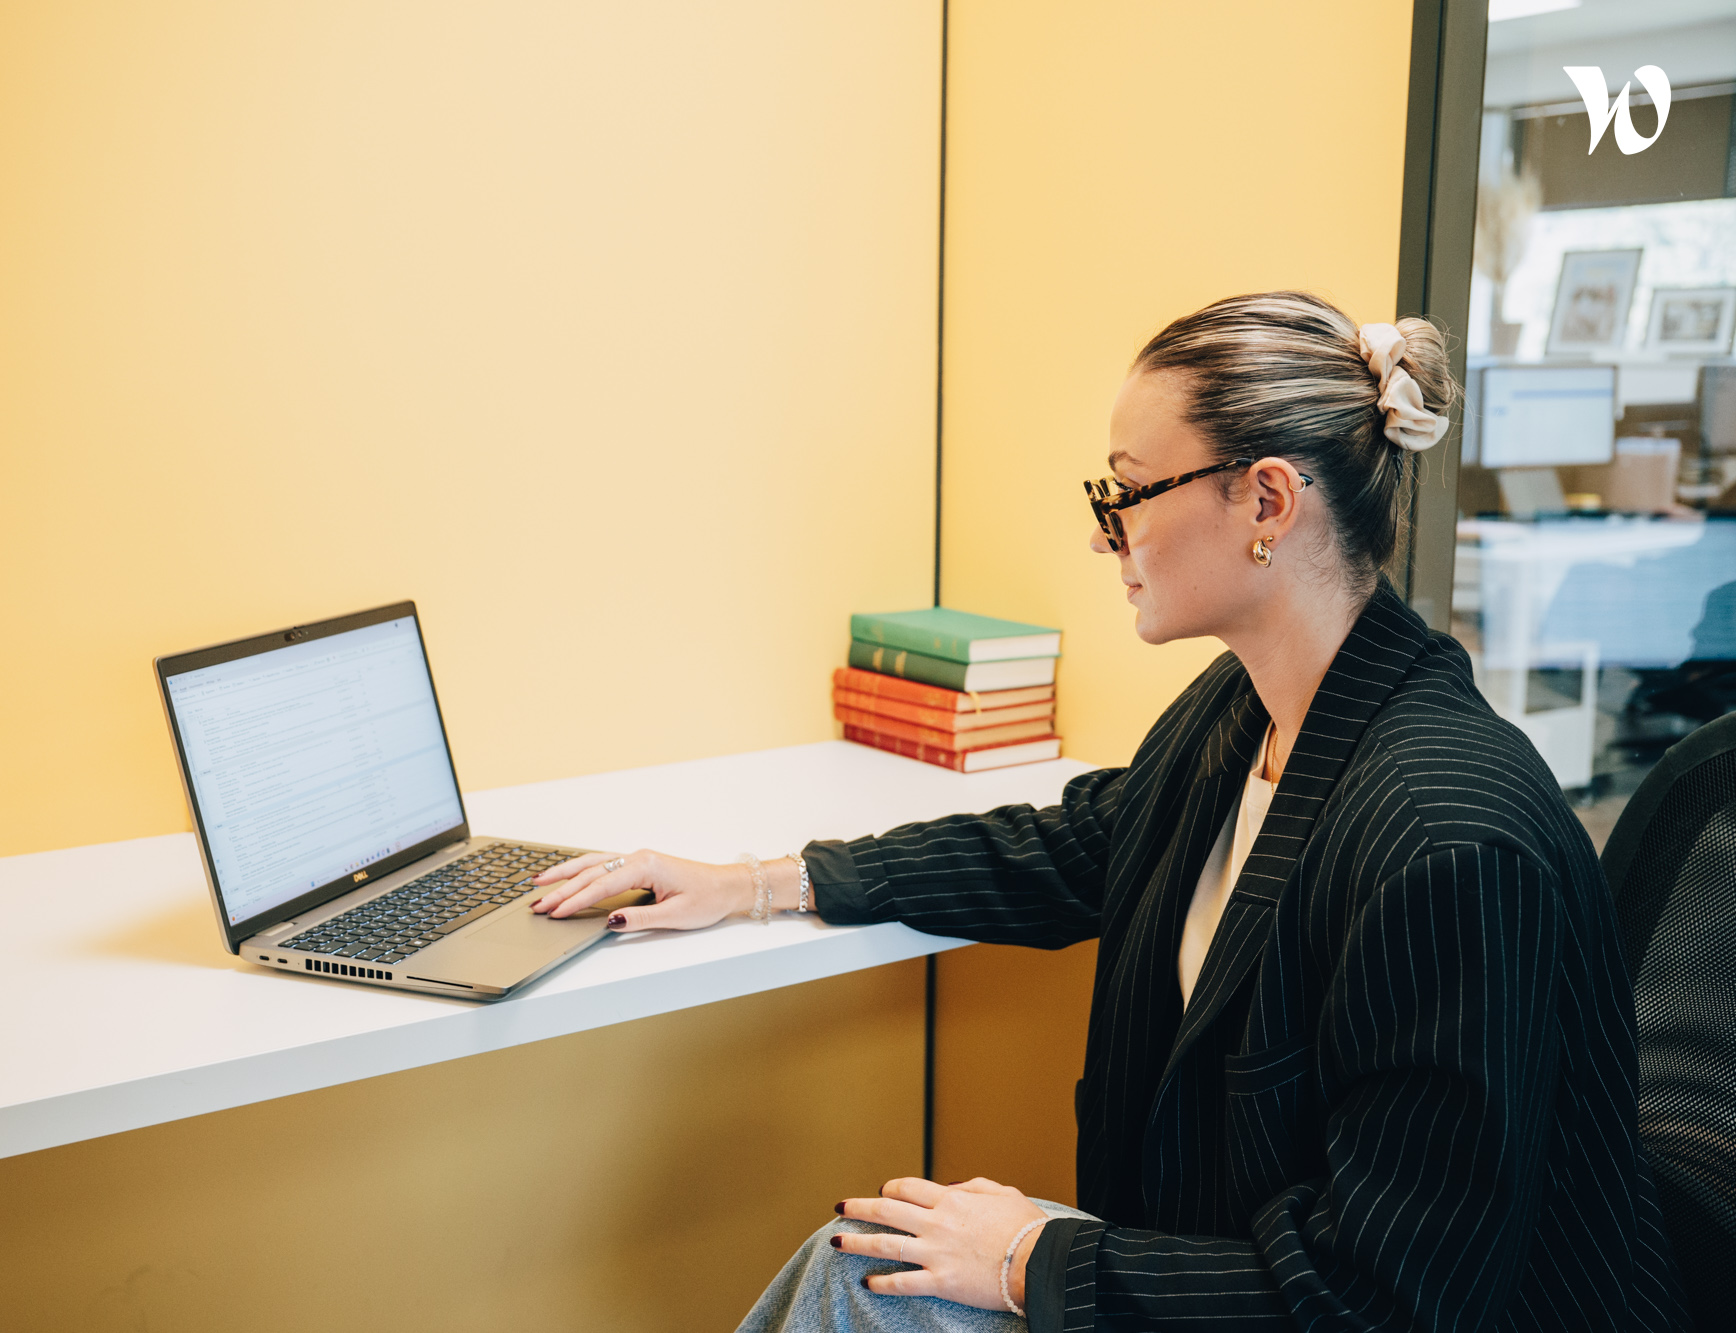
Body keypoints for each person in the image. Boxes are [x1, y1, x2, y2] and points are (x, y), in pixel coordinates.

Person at [530, 292, 1694, 1332]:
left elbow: (1386, 1297)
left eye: (1126, 490)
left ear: (1267, 500)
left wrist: (1036, 1258)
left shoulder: (1445, 844)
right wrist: (759, 881)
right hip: (1229, 1272)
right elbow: (1081, 842)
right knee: (863, 1263)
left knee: (861, 1284)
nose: (1103, 531)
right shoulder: (1247, 712)